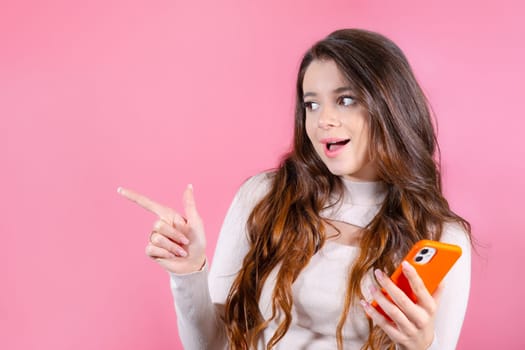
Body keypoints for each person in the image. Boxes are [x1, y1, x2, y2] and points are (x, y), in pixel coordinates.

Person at [118, 28, 471, 350]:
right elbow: (209, 345)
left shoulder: (441, 236)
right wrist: (190, 272)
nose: (322, 120)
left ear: (390, 104)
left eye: (345, 99)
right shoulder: (264, 197)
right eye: (311, 104)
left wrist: (423, 346)